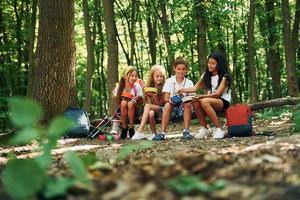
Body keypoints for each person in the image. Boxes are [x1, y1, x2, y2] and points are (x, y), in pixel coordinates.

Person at [177, 51, 231, 139]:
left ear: (219, 64)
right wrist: (183, 89)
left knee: (203, 101)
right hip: (210, 100)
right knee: (195, 101)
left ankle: (219, 129)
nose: (210, 65)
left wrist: (200, 96)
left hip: (222, 101)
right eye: (209, 63)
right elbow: (194, 88)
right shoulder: (206, 75)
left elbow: (217, 94)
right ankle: (205, 128)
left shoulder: (224, 76)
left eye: (213, 63)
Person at [153, 57, 194, 141]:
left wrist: (183, 97)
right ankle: (162, 133)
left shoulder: (189, 82)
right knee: (167, 105)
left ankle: (186, 131)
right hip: (172, 108)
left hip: (184, 108)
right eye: (179, 69)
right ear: (174, 68)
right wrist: (170, 100)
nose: (181, 71)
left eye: (183, 69)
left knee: (187, 104)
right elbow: (165, 98)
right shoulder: (169, 81)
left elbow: (192, 98)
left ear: (186, 70)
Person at [131, 65, 166, 140]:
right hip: (153, 108)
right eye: (157, 76)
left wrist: (155, 97)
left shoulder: (164, 87)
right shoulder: (148, 87)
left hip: (163, 109)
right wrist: (148, 97)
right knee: (150, 113)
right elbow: (149, 103)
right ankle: (154, 134)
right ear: (152, 77)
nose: (159, 78)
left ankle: (140, 131)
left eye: (161, 76)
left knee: (147, 106)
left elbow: (162, 104)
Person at [114, 66, 143, 139]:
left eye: (136, 76)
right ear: (125, 76)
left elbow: (141, 101)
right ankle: (124, 128)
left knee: (130, 103)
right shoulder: (120, 87)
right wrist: (118, 97)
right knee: (123, 102)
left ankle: (131, 128)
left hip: (135, 109)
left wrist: (136, 98)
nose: (134, 78)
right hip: (123, 110)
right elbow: (117, 101)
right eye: (132, 76)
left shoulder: (137, 87)